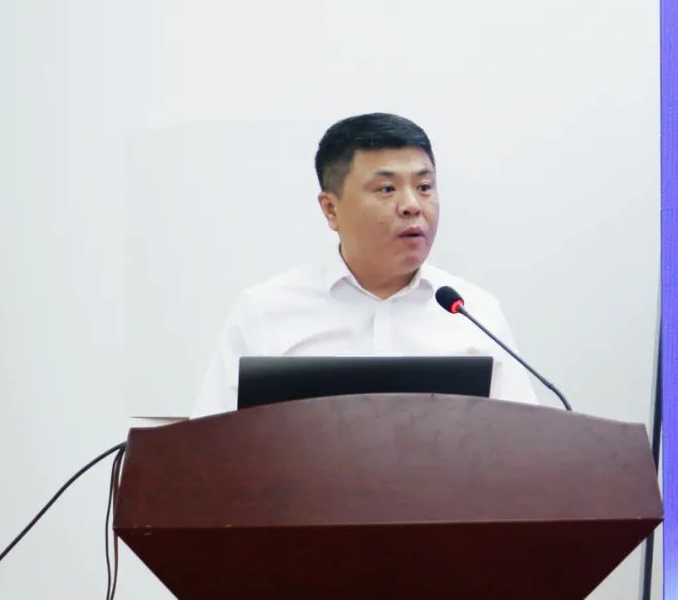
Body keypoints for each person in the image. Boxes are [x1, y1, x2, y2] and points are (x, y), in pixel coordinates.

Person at [190, 112, 538, 417]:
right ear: (331, 209)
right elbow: (209, 447)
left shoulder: (474, 313)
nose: (412, 205)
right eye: (387, 189)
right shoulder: (264, 311)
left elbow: (523, 445)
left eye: (424, 186)